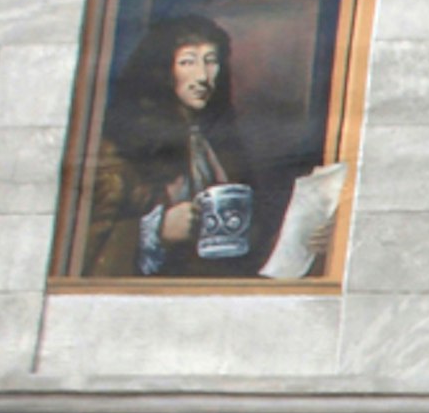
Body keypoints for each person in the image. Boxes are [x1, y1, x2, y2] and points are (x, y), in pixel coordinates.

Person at [82, 14, 284, 281]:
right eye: (187, 61)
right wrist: (157, 231)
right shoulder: (119, 147)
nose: (202, 76)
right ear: (162, 70)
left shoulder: (219, 146)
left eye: (210, 61)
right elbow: (85, 244)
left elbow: (251, 234)